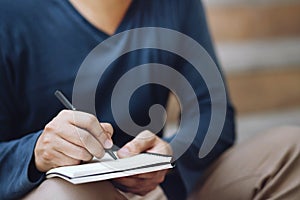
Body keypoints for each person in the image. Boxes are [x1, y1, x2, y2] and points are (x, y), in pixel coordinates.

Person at [3, 0, 299, 200]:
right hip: (62, 191)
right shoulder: (11, 14)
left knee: (290, 147)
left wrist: (170, 154)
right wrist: (36, 153)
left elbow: (212, 110)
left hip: (159, 187)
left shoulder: (174, 5)